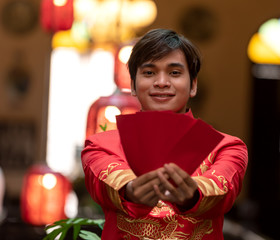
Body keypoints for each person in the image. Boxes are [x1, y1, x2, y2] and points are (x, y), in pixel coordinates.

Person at [81, 28, 248, 239]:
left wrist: (192, 195)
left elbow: (223, 189)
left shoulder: (227, 147)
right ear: (132, 85)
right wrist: (130, 190)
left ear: (193, 85)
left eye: (174, 73)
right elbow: (104, 185)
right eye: (149, 72)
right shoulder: (99, 146)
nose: (161, 82)